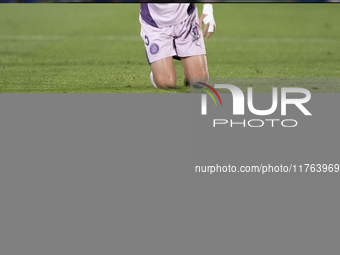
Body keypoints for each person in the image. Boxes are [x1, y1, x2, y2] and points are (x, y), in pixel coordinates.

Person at [139, 3, 216, 89]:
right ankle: (159, 69)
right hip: (155, 23)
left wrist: (208, 10)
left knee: (199, 82)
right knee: (166, 84)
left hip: (187, 19)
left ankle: (189, 73)